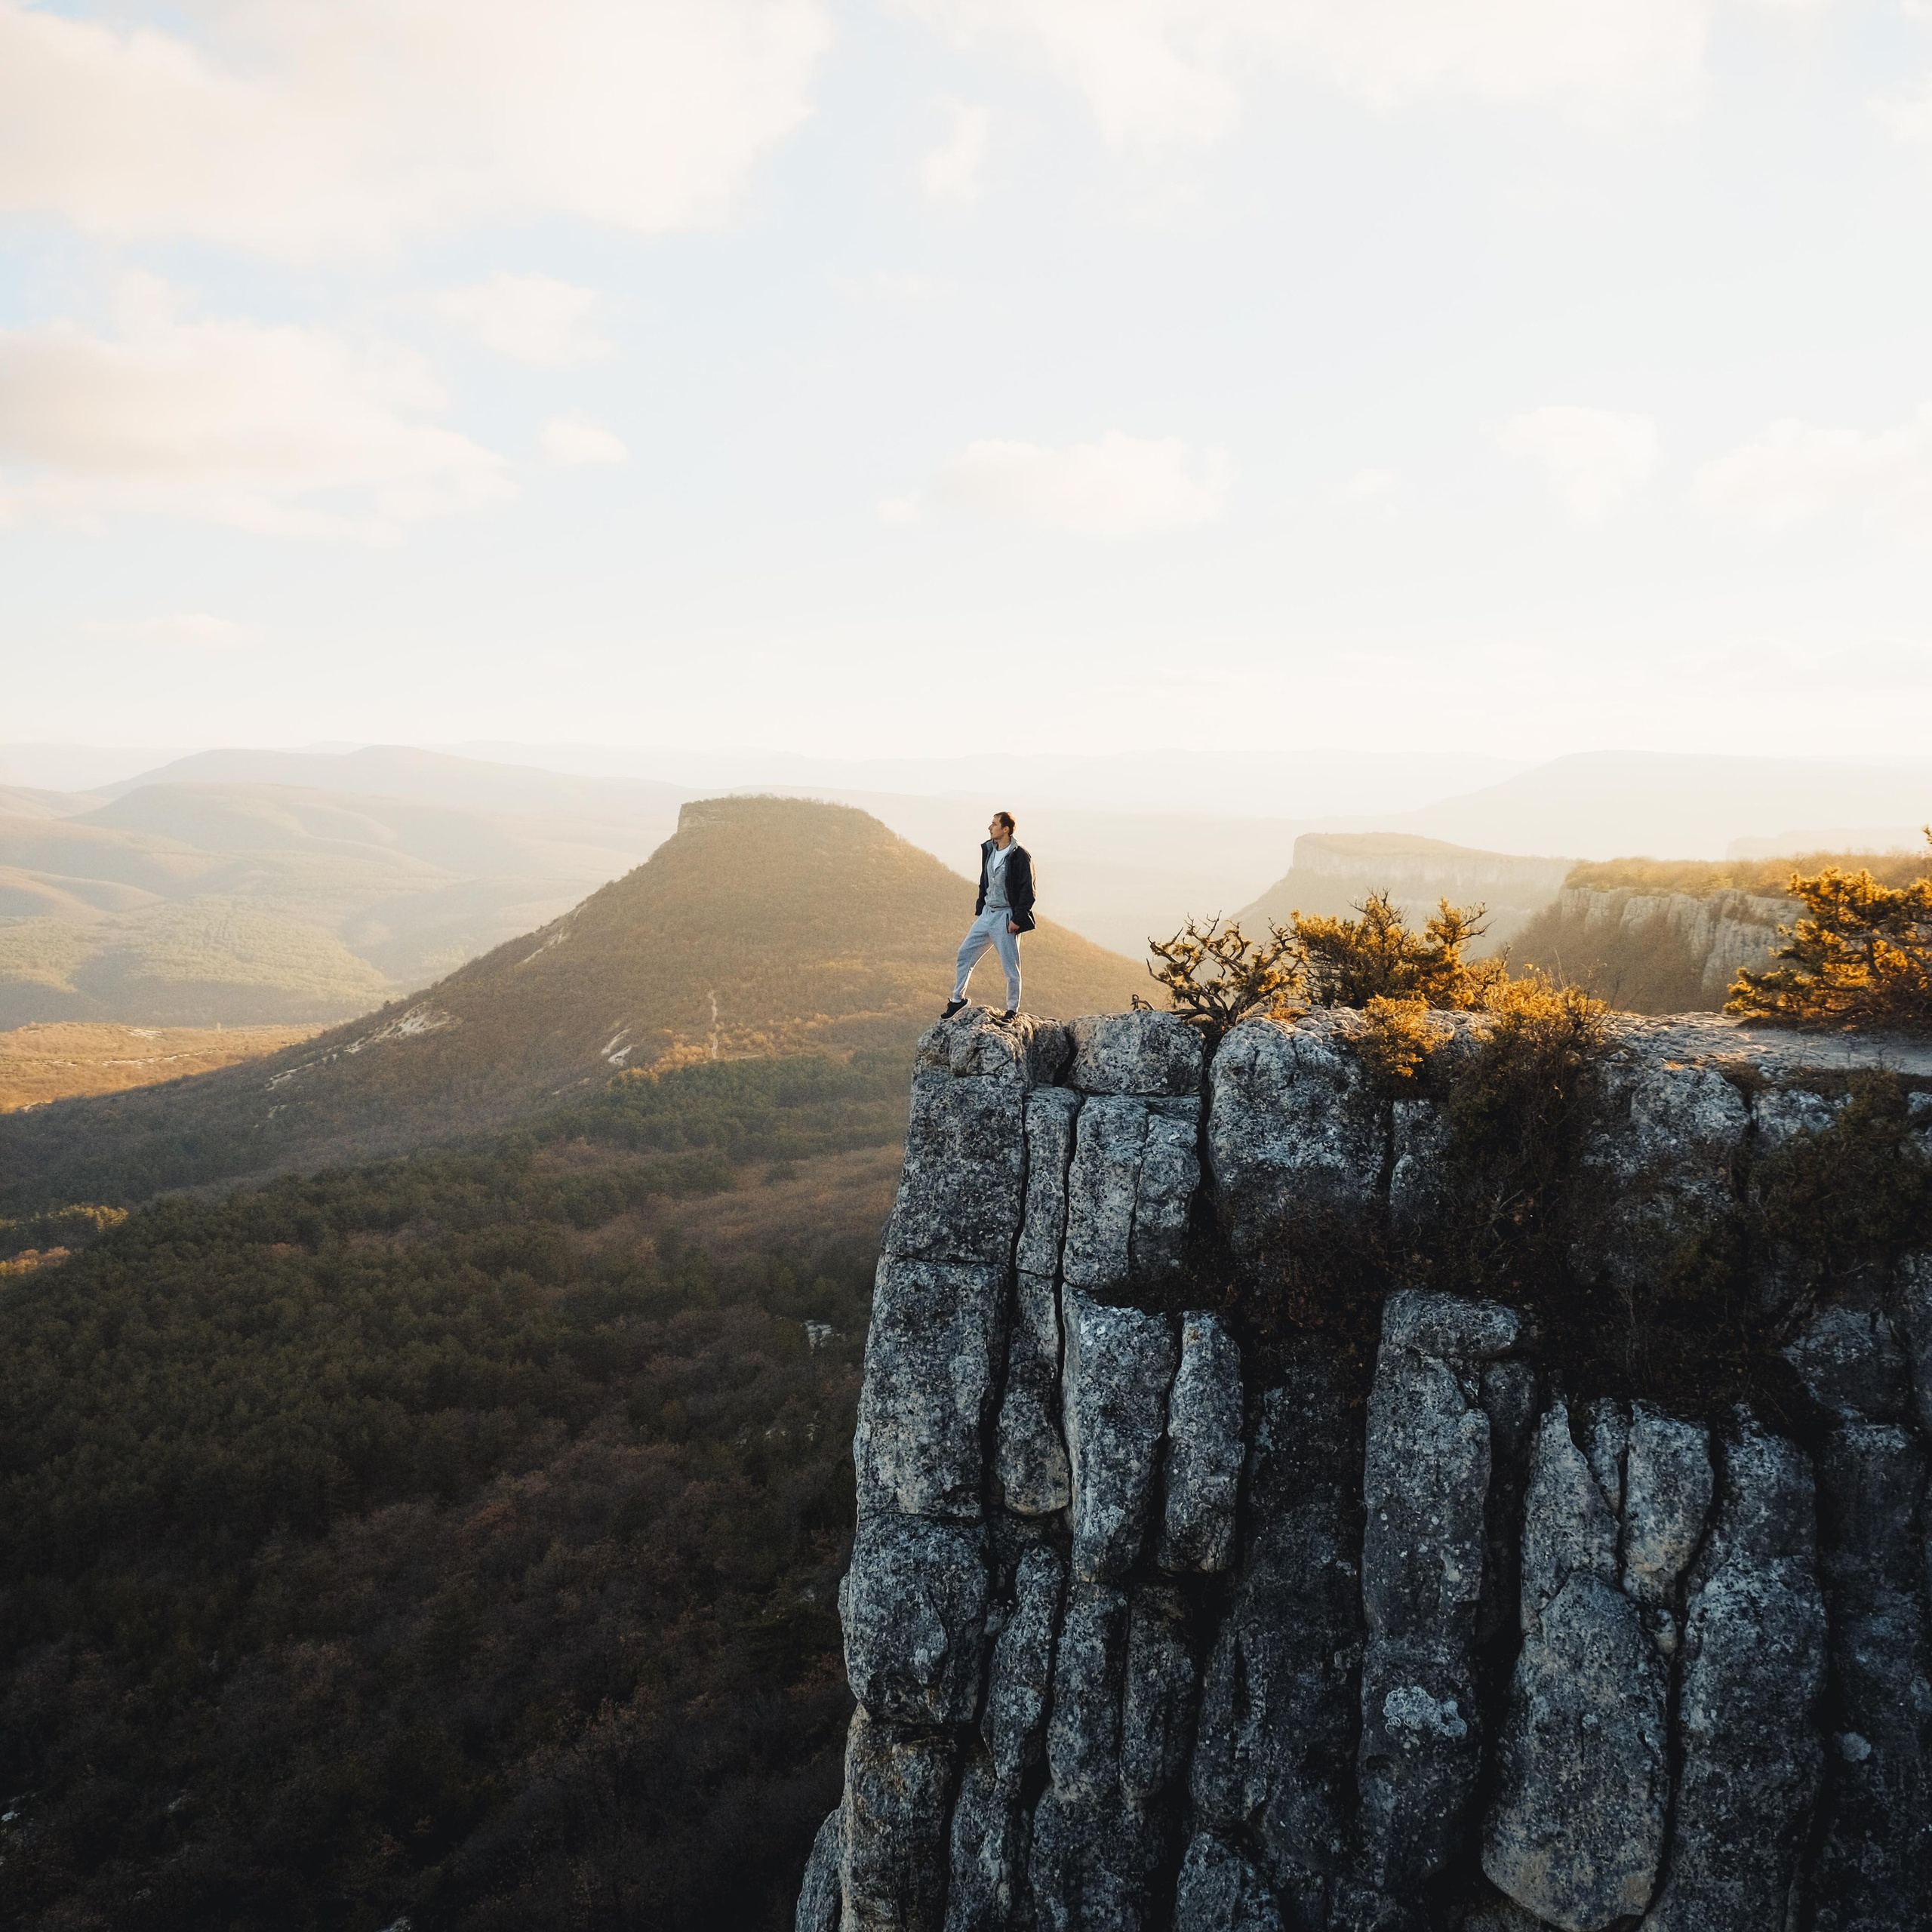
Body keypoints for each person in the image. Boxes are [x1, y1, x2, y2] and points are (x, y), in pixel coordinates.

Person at [943, 811, 1035, 1020]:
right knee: (964, 954)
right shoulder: (990, 850)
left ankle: (1012, 1010)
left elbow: (1028, 891)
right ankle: (958, 1000)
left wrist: (1017, 919)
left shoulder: (1020, 855)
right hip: (987, 914)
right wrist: (980, 907)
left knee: (1011, 967)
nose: (989, 827)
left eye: (994, 824)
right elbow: (985, 880)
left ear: (1006, 829)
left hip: (1005, 917)